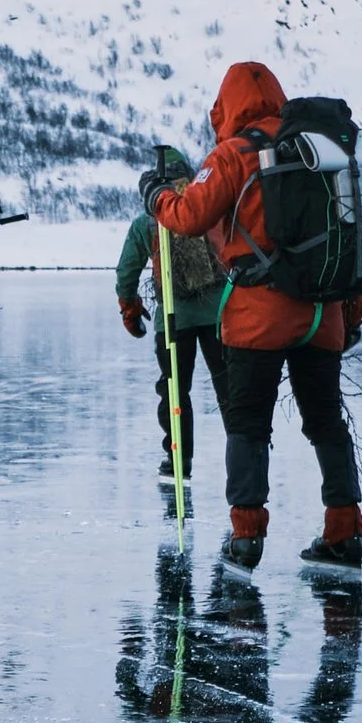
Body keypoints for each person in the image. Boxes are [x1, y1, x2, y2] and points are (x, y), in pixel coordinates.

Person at [140, 62, 362, 572]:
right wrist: (350, 313)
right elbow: (351, 235)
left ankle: (246, 538)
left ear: (227, 105)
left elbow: (188, 216)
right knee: (326, 420)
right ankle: (344, 530)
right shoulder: (320, 151)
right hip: (321, 312)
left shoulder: (234, 154)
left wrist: (155, 193)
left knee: (247, 426)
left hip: (258, 316)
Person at [114, 149, 229, 480]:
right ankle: (244, 454)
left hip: (173, 320)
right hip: (219, 317)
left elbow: (127, 272)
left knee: (175, 390)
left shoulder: (147, 222)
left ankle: (179, 459)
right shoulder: (211, 213)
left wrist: (130, 309)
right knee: (230, 390)